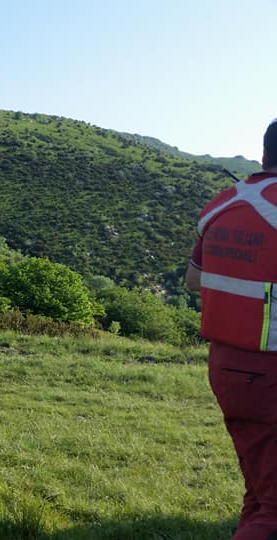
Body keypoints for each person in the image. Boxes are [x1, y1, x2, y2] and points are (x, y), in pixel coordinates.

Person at [185, 119, 277, 540]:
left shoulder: (220, 204)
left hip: (227, 365)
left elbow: (193, 279)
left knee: (261, 491)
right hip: (270, 370)